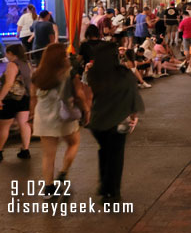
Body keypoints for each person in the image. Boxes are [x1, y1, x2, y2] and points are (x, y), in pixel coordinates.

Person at [84, 42, 144, 202]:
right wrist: (134, 115)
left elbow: (88, 95)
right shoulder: (122, 73)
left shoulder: (93, 73)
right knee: (116, 156)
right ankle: (113, 191)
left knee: (104, 151)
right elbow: (133, 94)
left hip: (98, 122)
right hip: (119, 120)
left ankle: (104, 186)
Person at [31, 43, 89, 199]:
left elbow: (33, 97)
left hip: (43, 117)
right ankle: (63, 173)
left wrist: (31, 117)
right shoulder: (70, 73)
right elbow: (79, 94)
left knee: (48, 155)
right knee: (74, 142)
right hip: (63, 116)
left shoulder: (37, 74)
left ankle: (48, 189)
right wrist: (86, 110)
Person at [0, 44, 33, 162]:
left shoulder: (12, 65)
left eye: (7, 53)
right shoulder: (27, 64)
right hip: (25, 97)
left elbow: (8, 84)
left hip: (11, 99)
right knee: (24, 124)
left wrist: (0, 98)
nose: (6, 55)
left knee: (4, 126)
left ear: (12, 54)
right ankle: (25, 150)